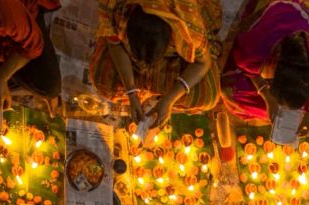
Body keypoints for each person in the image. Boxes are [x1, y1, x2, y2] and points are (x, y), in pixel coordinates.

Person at [221, 0, 309, 135]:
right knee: (231, 91)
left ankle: (294, 111)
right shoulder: (255, 50)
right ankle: (286, 109)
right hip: (290, 14)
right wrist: (268, 97)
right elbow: (248, 70)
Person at [90, 0, 222, 129]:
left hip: (174, 57)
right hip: (134, 51)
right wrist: (131, 92)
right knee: (103, 82)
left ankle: (159, 97)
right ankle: (152, 92)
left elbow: (203, 63)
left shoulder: (189, 27)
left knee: (208, 97)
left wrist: (170, 99)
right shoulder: (114, 6)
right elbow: (114, 44)